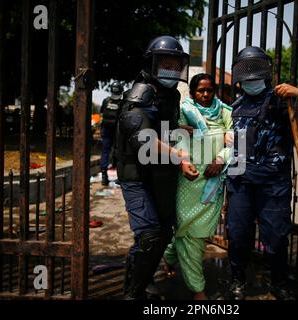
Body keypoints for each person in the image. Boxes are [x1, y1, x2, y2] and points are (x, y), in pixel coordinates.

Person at [112, 35, 199, 300]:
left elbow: (158, 127)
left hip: (160, 173)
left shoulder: (170, 94)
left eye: (175, 65)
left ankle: (142, 277)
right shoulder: (142, 91)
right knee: (149, 235)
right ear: (151, 64)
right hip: (136, 175)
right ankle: (132, 292)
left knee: (162, 233)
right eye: (165, 64)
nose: (170, 71)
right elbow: (141, 137)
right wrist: (180, 157)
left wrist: (177, 129)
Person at [226, 46, 298, 300]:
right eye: (246, 71)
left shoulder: (281, 99)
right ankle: (237, 278)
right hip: (240, 181)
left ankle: (278, 281)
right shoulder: (236, 105)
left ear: (266, 72)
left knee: (275, 238)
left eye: (255, 70)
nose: (251, 77)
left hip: (273, 184)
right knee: (239, 234)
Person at [163, 73, 233, 300]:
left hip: (213, 180)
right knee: (189, 232)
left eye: (209, 90)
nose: (205, 95)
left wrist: (220, 159)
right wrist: (184, 160)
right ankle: (198, 289)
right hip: (188, 180)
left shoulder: (225, 112)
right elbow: (173, 138)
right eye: (200, 91)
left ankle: (169, 255)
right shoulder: (184, 110)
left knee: (196, 233)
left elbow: (235, 142)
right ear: (192, 93)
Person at [100, 81, 124, 186]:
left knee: (105, 151)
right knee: (118, 151)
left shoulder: (106, 101)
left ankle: (104, 177)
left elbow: (102, 114)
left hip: (106, 129)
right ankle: (119, 176)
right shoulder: (122, 103)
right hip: (117, 130)